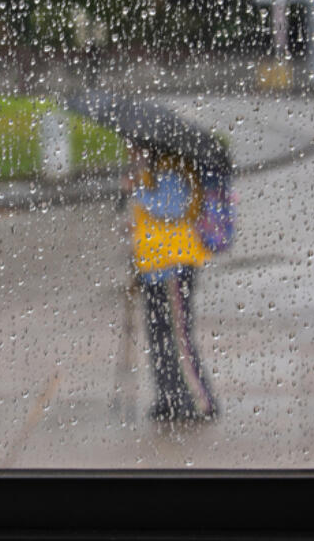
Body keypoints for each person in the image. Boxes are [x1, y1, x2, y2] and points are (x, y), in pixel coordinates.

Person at [128, 146, 218, 422]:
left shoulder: (174, 167)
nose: (130, 153)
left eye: (134, 148)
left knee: (178, 336)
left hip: (174, 266)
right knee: (159, 336)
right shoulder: (152, 171)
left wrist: (135, 191)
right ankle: (169, 397)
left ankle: (200, 401)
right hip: (153, 266)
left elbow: (172, 207)